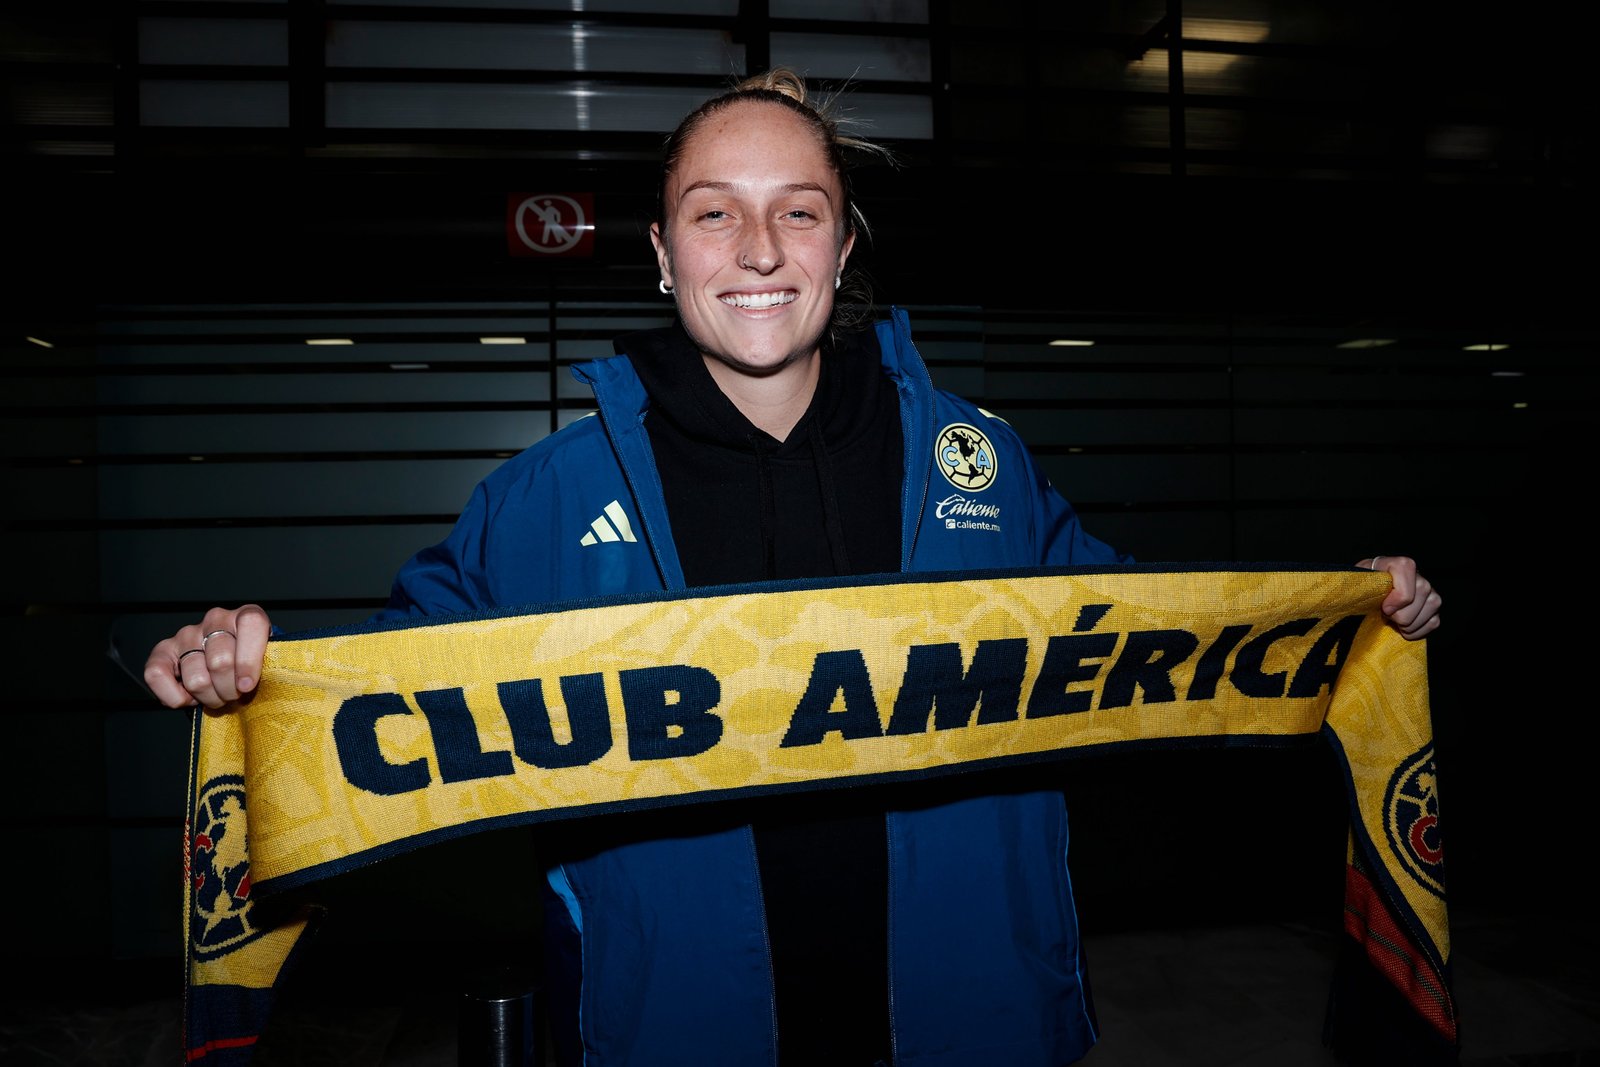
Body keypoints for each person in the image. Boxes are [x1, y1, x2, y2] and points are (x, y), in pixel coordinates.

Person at [144, 69, 1442, 1067]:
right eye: (714, 214)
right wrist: (245, 676)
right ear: (664, 253)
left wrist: (1347, 621)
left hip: (974, 1023)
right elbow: (376, 689)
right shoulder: (543, 500)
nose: (758, 250)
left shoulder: (978, 463)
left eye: (797, 213)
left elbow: (1152, 651)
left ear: (844, 245)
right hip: (676, 1033)